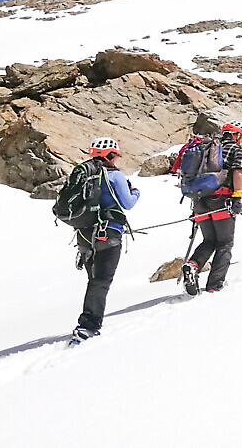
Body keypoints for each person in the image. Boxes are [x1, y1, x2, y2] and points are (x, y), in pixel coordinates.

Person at [72, 137, 140, 343]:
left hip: (84, 235)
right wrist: (136, 191)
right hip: (108, 233)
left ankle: (88, 321)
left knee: (94, 281)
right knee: (101, 282)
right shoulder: (115, 175)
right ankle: (88, 326)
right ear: (110, 155)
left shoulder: (84, 174)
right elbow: (128, 203)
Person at [181, 121, 242, 295]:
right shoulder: (235, 148)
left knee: (209, 240)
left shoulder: (207, 148)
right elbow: (238, 171)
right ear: (237, 135)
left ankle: (193, 265)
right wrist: (237, 197)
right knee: (225, 243)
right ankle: (214, 285)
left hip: (198, 201)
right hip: (221, 200)